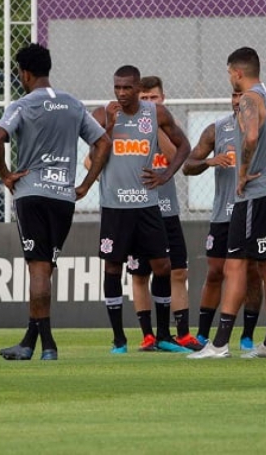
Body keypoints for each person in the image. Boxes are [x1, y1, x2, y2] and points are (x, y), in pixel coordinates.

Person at [0, 43, 111, 361]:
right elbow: (103, 142)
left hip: (32, 193)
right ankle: (29, 343)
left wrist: (5, 174)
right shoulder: (73, 103)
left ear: (24, 73)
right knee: (46, 267)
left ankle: (50, 346)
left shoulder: (23, 104)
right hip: (63, 196)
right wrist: (86, 183)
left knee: (38, 269)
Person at [189, 47, 266, 359]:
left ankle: (219, 345)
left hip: (254, 194)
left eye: (230, 73)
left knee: (235, 265)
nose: (230, 78)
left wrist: (243, 173)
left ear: (238, 72)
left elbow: (252, 136)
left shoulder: (248, 99)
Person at [92, 65, 192, 354]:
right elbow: (91, 155)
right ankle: (119, 340)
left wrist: (166, 175)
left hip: (148, 205)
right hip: (115, 206)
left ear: (138, 88)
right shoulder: (103, 114)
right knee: (113, 266)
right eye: (117, 87)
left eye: (127, 88)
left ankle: (163, 335)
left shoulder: (155, 114)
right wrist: (108, 128)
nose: (121, 93)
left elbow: (183, 145)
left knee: (163, 267)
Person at [126, 76, 198, 351]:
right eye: (144, 98)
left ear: (162, 99)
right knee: (140, 275)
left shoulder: (170, 128)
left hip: (167, 212)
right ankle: (148, 335)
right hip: (135, 210)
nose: (148, 103)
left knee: (178, 271)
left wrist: (155, 128)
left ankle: (182, 333)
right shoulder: (125, 128)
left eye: (153, 98)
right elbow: (93, 159)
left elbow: (173, 157)